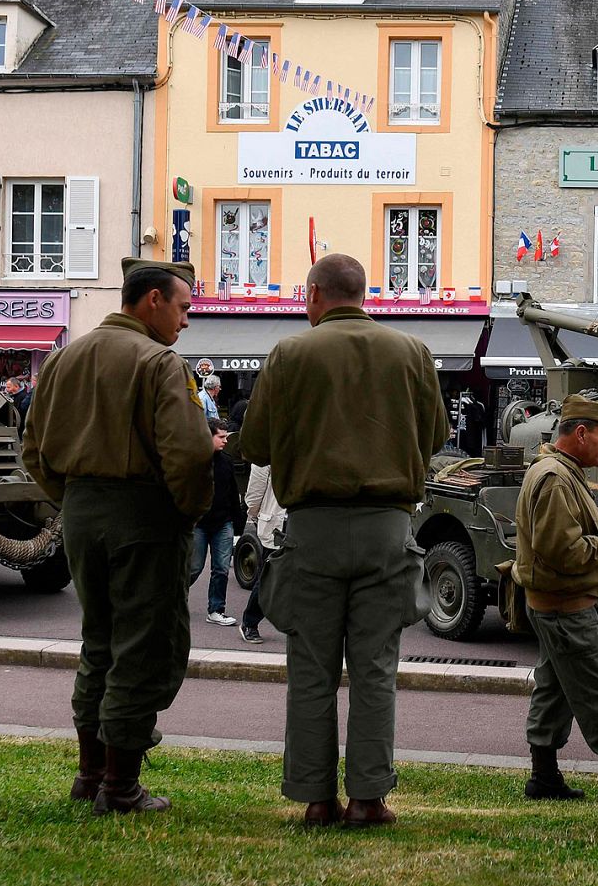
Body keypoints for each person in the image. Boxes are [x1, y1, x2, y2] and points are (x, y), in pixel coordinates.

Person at [241, 254, 448, 828]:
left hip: (312, 528)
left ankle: (314, 798)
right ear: (364, 294)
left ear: (313, 295)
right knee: (376, 667)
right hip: (387, 528)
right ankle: (367, 799)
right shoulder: (411, 351)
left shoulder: (289, 353)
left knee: (311, 669)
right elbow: (436, 435)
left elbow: (254, 444)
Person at [23, 257, 213, 814]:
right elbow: (192, 451)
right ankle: (121, 787)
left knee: (98, 642)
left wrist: (71, 498)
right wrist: (186, 511)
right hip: (143, 514)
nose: (186, 321)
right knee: (143, 646)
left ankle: (90, 774)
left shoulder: (62, 358)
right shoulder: (159, 362)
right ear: (151, 301)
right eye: (182, 307)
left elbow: (32, 447)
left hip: (81, 510)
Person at [513, 395, 598, 802]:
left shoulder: (557, 471)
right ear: (580, 433)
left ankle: (543, 777)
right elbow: (562, 549)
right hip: (567, 609)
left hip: (552, 606)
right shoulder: (557, 478)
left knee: (554, 688)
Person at [190, 419, 245, 627]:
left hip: (223, 521)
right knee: (194, 568)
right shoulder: (194, 461)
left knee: (221, 568)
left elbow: (232, 493)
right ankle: (174, 601)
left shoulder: (227, 461)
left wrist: (237, 520)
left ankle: (216, 609)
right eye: (220, 437)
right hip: (199, 523)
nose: (225, 441)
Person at [237, 461, 285, 644]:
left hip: (300, 524)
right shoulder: (266, 455)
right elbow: (254, 495)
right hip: (276, 524)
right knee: (269, 579)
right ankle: (250, 622)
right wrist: (256, 515)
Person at [453, 388, 488, 457]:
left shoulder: (477, 406)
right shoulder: (473, 406)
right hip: (468, 437)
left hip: (471, 437)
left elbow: (481, 422)